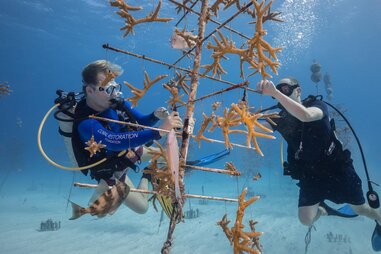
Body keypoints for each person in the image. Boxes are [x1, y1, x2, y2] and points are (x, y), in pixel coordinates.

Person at [256, 77, 381, 227]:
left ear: (298, 90)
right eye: (277, 90)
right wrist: (242, 115)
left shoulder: (317, 105)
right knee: (306, 220)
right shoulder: (280, 118)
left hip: (337, 170)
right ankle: (323, 211)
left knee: (361, 209)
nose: (281, 92)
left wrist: (275, 93)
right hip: (311, 175)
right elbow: (256, 129)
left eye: (285, 89)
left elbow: (306, 116)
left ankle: (379, 219)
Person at [72, 60, 183, 214]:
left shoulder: (116, 103)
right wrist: (158, 132)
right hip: (113, 168)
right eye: (109, 88)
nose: (116, 93)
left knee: (165, 156)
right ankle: (146, 177)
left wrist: (154, 116)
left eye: (116, 87)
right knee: (142, 208)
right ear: (90, 91)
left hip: (130, 151)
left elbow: (140, 121)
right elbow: (113, 141)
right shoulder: (86, 123)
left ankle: (150, 169)